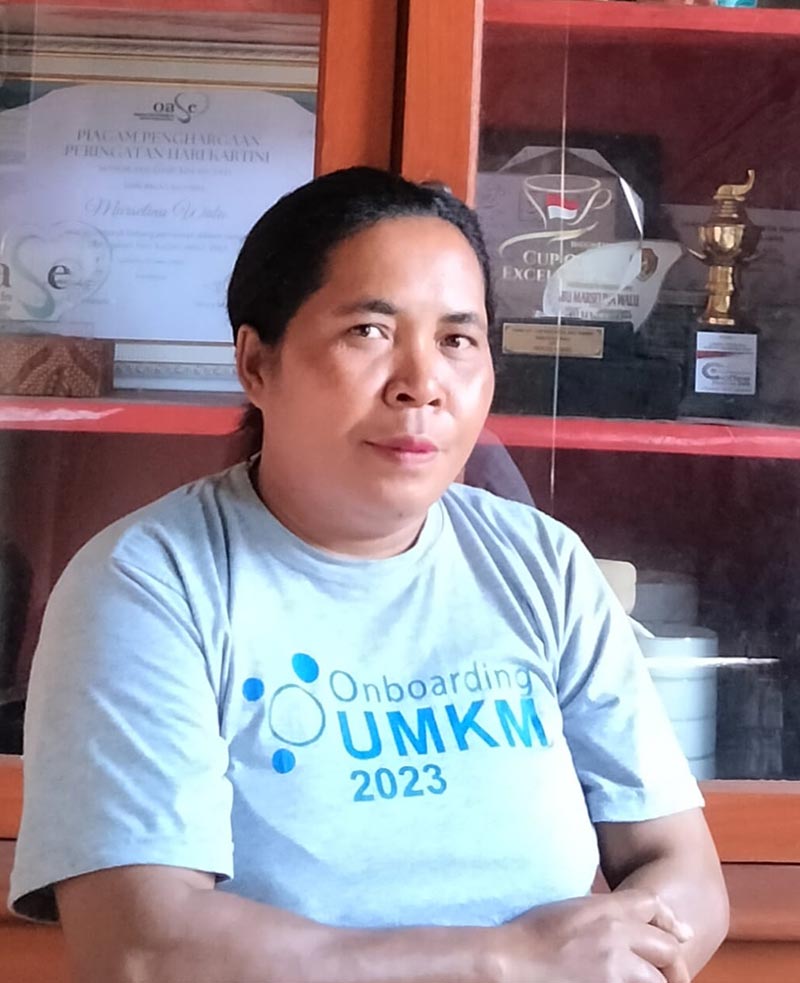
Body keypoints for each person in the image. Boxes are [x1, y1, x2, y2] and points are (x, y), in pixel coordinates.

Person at [9, 167, 728, 983]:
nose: (421, 384)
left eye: (457, 339)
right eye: (369, 332)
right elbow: (142, 948)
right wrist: (504, 961)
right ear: (256, 363)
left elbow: (685, 869)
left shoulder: (541, 565)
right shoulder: (148, 584)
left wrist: (627, 956)